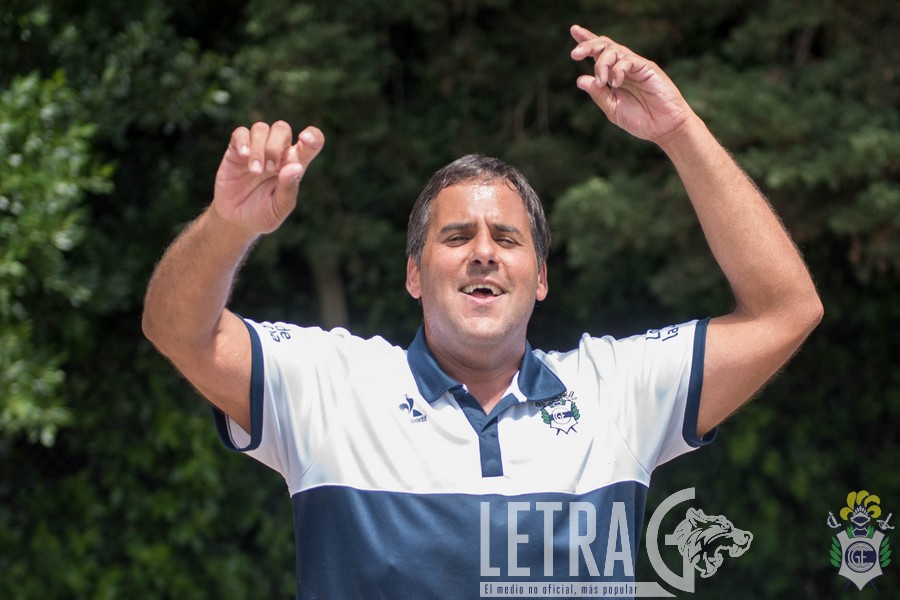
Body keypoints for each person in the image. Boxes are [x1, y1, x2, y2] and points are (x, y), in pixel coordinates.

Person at [142, 25, 822, 598]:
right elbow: (177, 331)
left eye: (507, 238)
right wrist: (229, 225)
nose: (484, 254)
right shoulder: (331, 386)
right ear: (414, 274)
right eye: (456, 236)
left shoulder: (617, 393)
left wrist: (679, 131)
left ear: (541, 277)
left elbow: (785, 311)